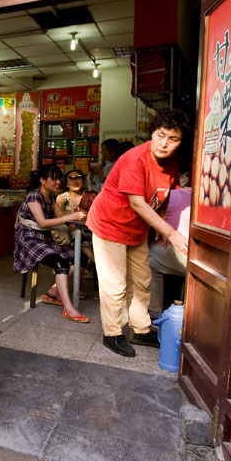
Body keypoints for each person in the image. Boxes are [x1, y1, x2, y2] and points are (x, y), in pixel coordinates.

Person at [86, 109, 190, 357]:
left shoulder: (171, 161)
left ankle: (141, 329)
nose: (164, 144)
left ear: (180, 142)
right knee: (115, 284)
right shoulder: (136, 159)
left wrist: (162, 222)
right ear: (152, 133)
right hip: (109, 224)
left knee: (142, 281)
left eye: (173, 139)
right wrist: (172, 233)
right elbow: (138, 203)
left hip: (136, 228)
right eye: (160, 135)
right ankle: (112, 334)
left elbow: (166, 194)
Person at [14, 164, 89, 323]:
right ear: (42, 180)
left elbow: (60, 217)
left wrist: (72, 214)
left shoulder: (52, 197)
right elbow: (42, 222)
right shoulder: (34, 196)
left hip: (45, 238)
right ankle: (69, 309)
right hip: (29, 238)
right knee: (60, 263)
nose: (57, 182)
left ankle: (52, 292)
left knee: (80, 258)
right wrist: (68, 218)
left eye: (58, 179)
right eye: (53, 179)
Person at [148, 187, 191, 317]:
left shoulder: (170, 196)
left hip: (189, 257)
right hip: (212, 258)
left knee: (151, 256)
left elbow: (161, 237)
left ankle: (154, 311)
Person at [56, 169, 95, 266]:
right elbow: (57, 219)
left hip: (91, 230)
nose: (75, 181)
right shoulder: (62, 198)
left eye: (78, 177)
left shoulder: (91, 196)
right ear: (67, 184)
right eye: (71, 178)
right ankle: (97, 264)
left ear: (84, 182)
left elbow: (98, 216)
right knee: (79, 235)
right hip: (69, 233)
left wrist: (85, 214)